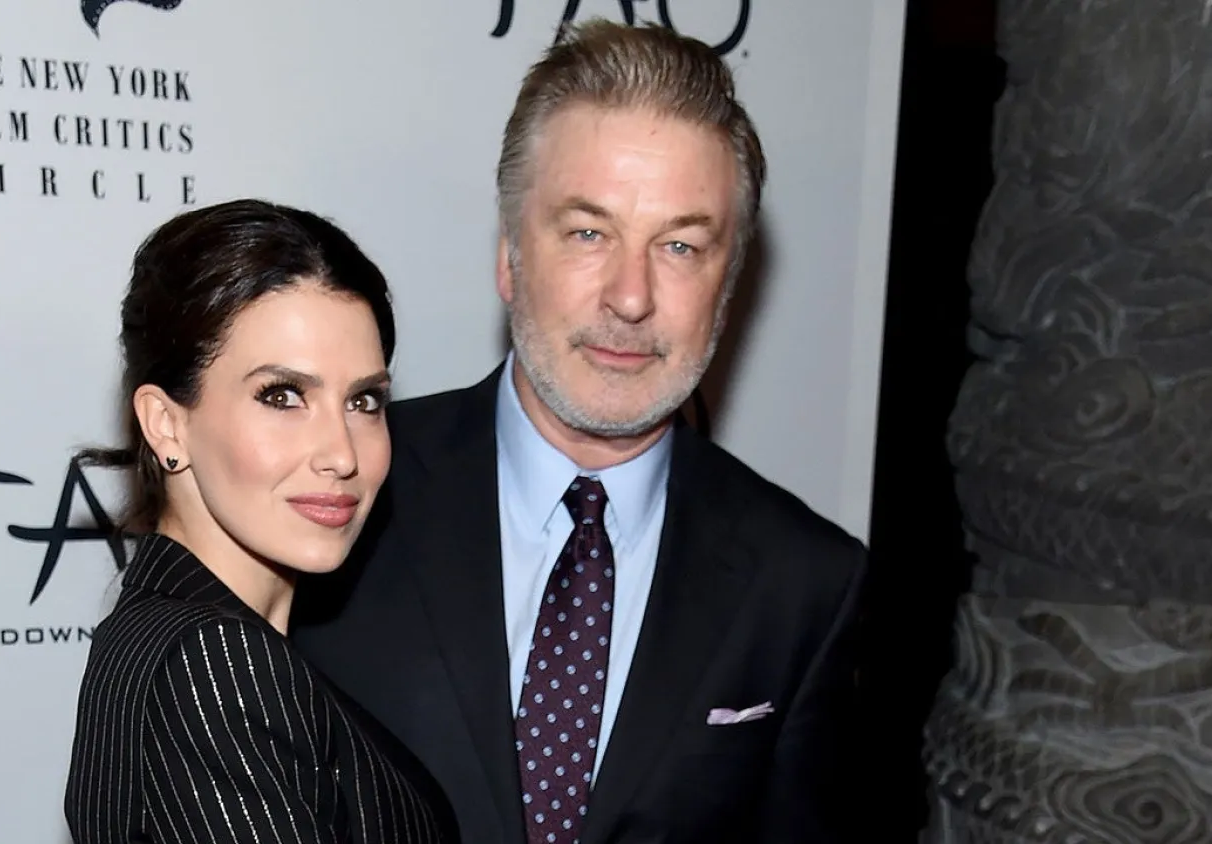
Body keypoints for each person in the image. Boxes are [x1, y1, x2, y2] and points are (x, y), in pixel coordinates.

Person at [291, 20, 868, 844]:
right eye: (589, 233)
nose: (630, 297)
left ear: (728, 287)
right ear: (508, 258)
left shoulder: (805, 581)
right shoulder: (337, 489)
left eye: (679, 245)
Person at [63, 198, 457, 844]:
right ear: (167, 424)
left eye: (364, 400)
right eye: (282, 396)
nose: (340, 453)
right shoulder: (211, 662)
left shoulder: (157, 633)